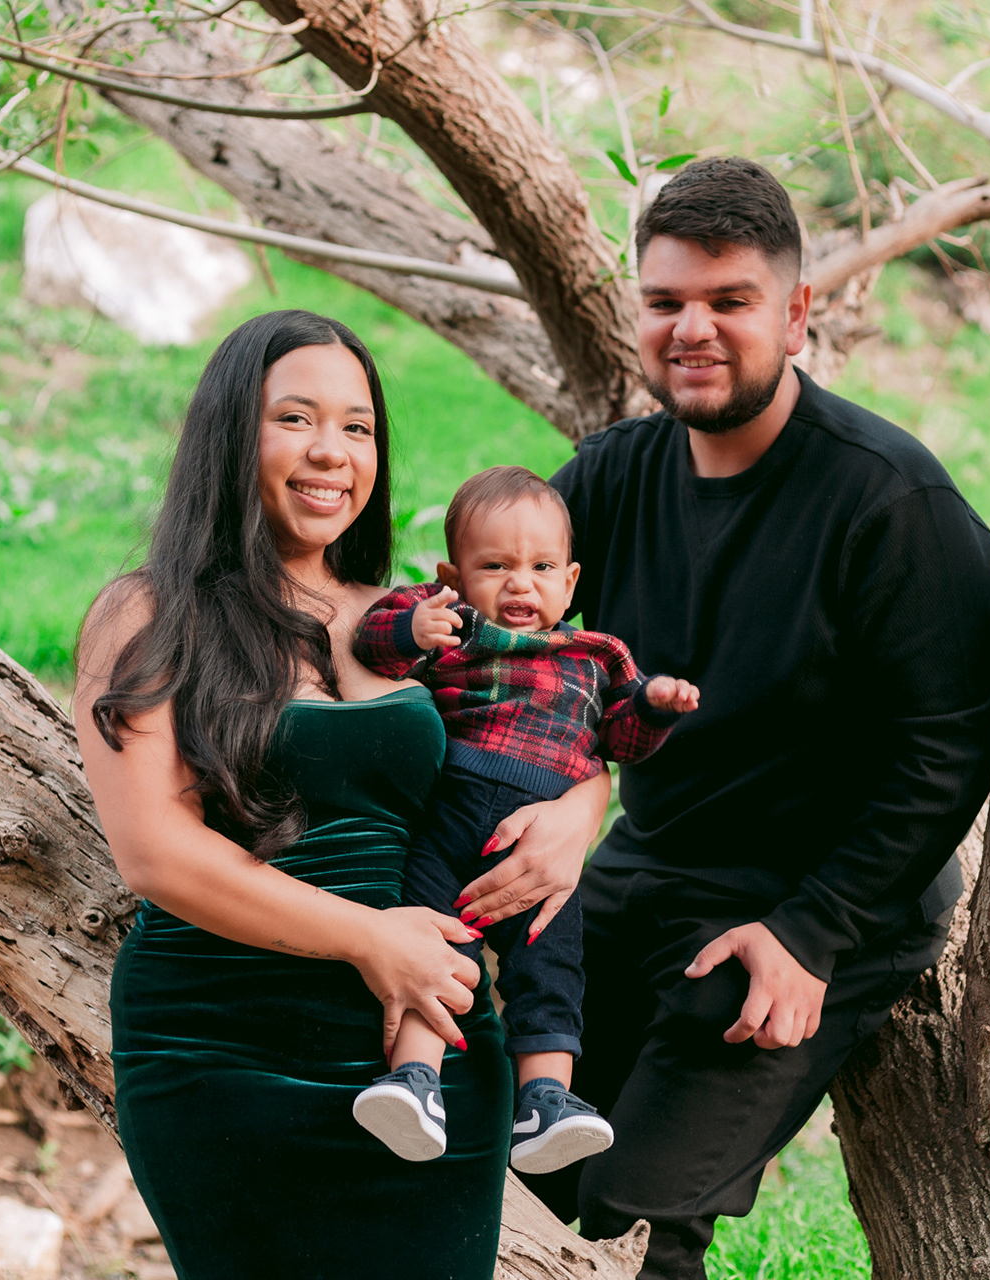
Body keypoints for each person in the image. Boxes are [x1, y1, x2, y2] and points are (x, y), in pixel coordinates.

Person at [522, 158, 990, 1278]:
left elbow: (947, 753)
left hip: (817, 894)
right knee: (501, 1161)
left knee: (632, 1224)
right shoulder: (611, 477)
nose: (691, 329)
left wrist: (813, 932)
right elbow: (510, 637)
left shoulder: (896, 505)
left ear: (795, 315)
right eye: (665, 301)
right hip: (646, 865)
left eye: (729, 300)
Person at [73, 310, 606, 1278]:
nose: (333, 452)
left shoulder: (416, 621)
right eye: (296, 418)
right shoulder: (150, 612)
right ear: (232, 432)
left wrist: (583, 810)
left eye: (358, 427)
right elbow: (153, 850)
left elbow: (548, 719)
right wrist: (370, 939)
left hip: (431, 1054)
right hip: (223, 1053)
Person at [347, 465, 700, 1174]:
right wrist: (413, 627)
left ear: (570, 582)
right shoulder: (450, 623)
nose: (520, 585)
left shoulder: (598, 656)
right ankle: (413, 1081)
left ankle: (546, 1100)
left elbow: (621, 741)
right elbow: (371, 639)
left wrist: (655, 707)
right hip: (446, 813)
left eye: (541, 568)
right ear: (453, 575)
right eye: (495, 566)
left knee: (552, 964)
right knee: (430, 946)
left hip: (538, 835)